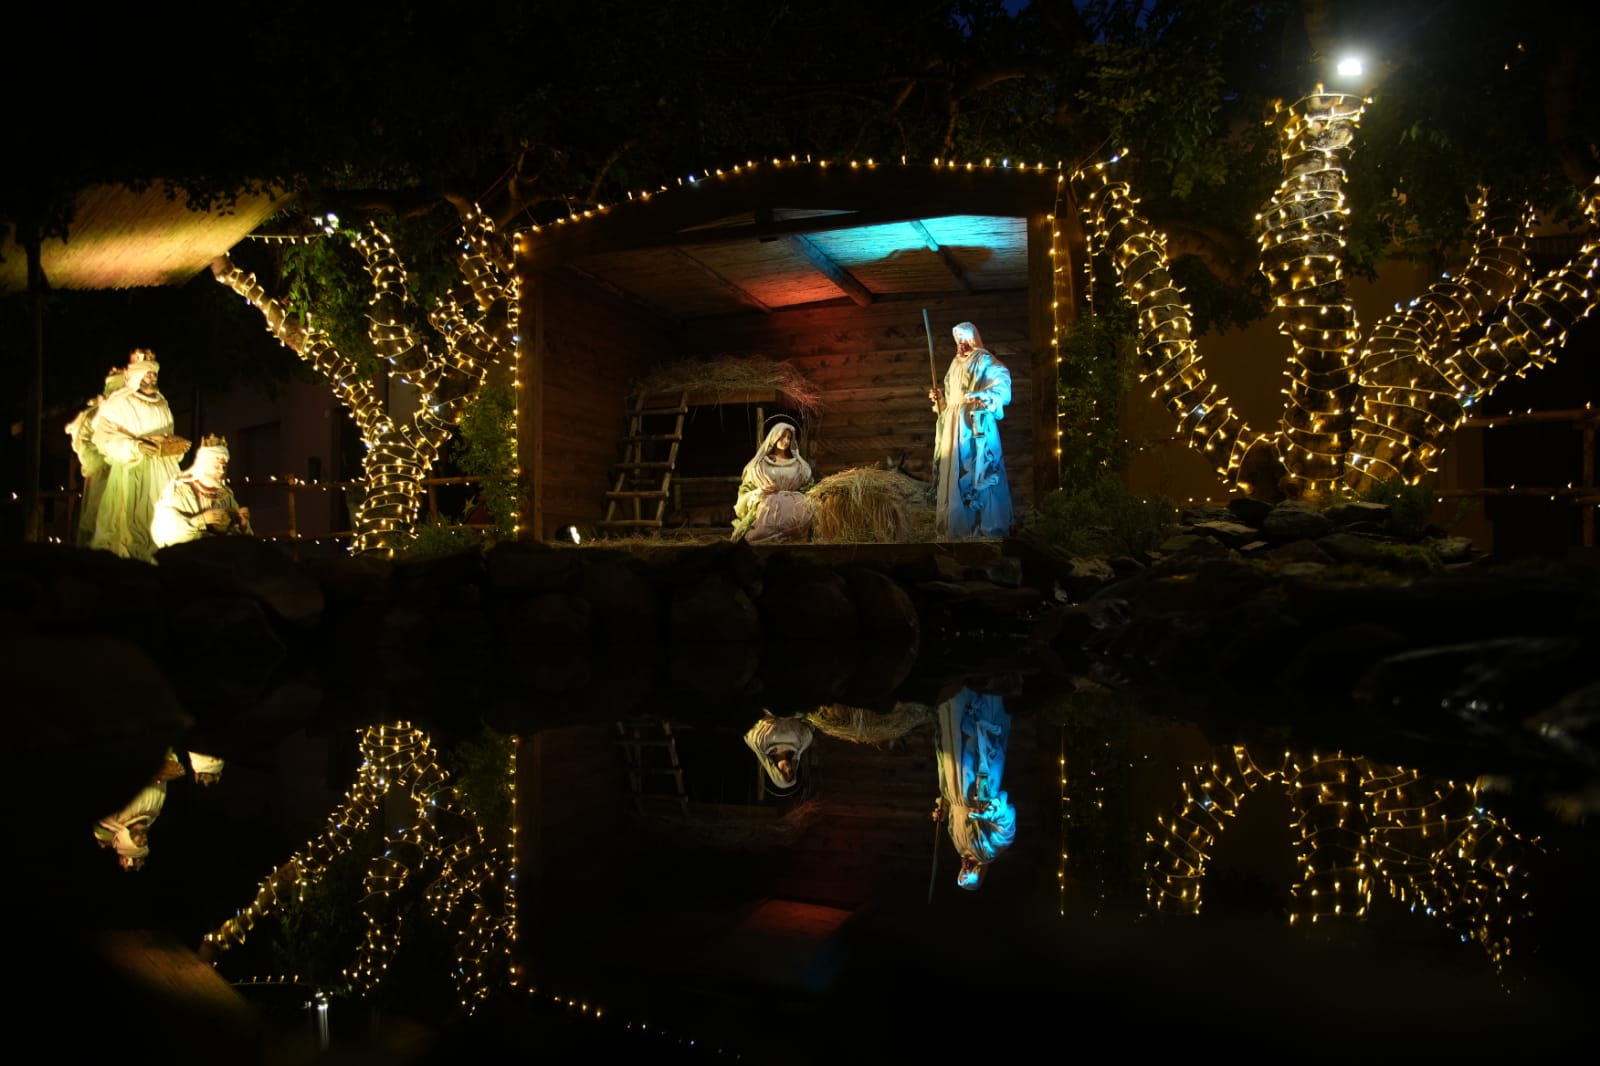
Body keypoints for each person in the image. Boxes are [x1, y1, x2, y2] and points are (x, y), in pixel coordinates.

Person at [91, 349, 186, 562]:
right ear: (136, 376)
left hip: (163, 472)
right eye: (148, 373)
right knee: (133, 524)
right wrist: (134, 446)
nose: (153, 378)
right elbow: (103, 436)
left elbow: (167, 434)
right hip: (133, 471)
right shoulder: (120, 402)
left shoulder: (162, 402)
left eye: (155, 374)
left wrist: (173, 447)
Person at [929, 321, 1013, 538]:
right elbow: (952, 396)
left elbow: (1002, 384)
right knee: (954, 472)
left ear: (972, 340)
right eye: (958, 341)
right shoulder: (954, 364)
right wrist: (941, 400)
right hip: (954, 424)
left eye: (965, 340)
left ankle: (984, 528)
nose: (961, 346)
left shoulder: (983, 359)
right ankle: (956, 528)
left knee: (975, 468)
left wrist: (983, 395)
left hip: (974, 424)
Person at [931, 687, 1015, 890]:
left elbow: (955, 814)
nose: (966, 867)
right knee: (973, 741)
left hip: (954, 786)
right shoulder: (989, 850)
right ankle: (982, 691)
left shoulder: (959, 847)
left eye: (962, 872)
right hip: (977, 787)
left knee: (953, 740)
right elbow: (1008, 826)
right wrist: (992, 812)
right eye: (970, 873)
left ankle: (954, 694)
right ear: (979, 872)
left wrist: (943, 810)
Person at [152, 434, 252, 548]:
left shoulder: (226, 494)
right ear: (204, 464)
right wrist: (201, 520)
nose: (221, 471)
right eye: (216, 466)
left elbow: (239, 536)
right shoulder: (182, 490)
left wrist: (243, 524)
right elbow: (166, 528)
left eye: (224, 467)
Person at [63, 367, 125, 547]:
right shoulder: (94, 415)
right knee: (98, 519)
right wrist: (104, 462)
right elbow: (84, 443)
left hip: (125, 476)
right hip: (102, 475)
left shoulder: (130, 415)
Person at [730, 419, 815, 543]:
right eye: (782, 436)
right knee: (762, 524)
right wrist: (760, 491)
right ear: (774, 437)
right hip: (767, 503)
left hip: (794, 505)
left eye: (789, 438)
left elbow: (808, 489)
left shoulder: (799, 466)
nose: (786, 441)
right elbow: (746, 491)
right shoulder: (760, 465)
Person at [743, 711, 816, 795]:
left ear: (776, 772)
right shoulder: (801, 745)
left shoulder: (762, 746)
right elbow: (808, 725)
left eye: (784, 773)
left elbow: (752, 731)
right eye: (791, 772)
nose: (788, 769)